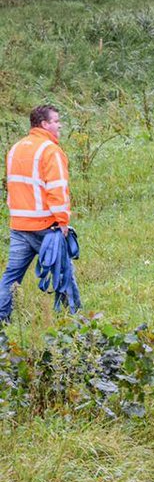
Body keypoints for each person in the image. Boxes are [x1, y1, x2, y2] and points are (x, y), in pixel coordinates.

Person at [0, 104, 71, 324]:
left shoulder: (16, 149)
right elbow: (57, 189)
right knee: (63, 273)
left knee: (11, 276)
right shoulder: (50, 150)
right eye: (56, 121)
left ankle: (2, 318)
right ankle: (70, 319)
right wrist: (63, 222)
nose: (59, 125)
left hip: (19, 225)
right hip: (46, 226)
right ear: (44, 124)